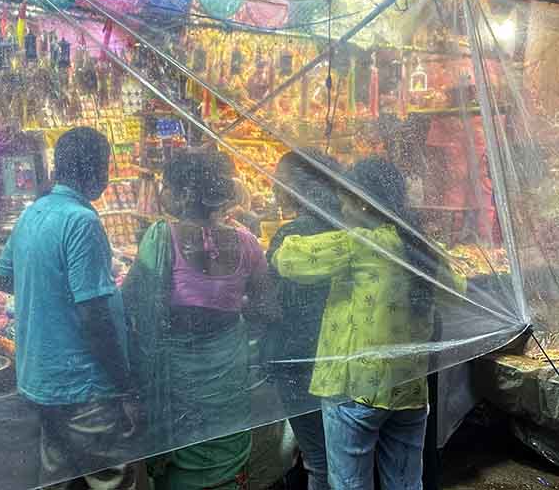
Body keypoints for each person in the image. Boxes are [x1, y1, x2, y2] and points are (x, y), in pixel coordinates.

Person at [273, 157, 460, 490]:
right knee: (406, 482)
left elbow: (288, 259)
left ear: (361, 202)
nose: (341, 208)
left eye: (344, 199)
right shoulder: (421, 248)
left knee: (349, 483)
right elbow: (457, 291)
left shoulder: (359, 242)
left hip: (355, 389)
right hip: (408, 389)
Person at [0, 127, 135, 490]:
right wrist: (122, 379)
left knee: (57, 478)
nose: (106, 176)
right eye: (105, 166)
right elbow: (93, 315)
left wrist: (46, 282)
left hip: (41, 379)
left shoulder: (34, 212)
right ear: (94, 170)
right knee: (110, 480)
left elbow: (2, 278)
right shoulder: (81, 221)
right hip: (83, 385)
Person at [124, 149, 272, 490]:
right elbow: (267, 308)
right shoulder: (247, 242)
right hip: (230, 376)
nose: (162, 193)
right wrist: (228, 307)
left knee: (181, 462)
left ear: (183, 193)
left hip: (177, 379)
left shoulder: (161, 238)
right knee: (226, 455)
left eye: (166, 186)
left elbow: (130, 301)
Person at [265, 149, 343, 490]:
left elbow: (271, 299)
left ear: (299, 186)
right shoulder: (350, 225)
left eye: (280, 180)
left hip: (300, 359)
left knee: (320, 458)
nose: (273, 188)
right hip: (340, 353)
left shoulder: (292, 236)